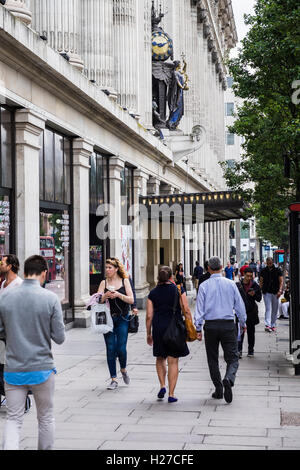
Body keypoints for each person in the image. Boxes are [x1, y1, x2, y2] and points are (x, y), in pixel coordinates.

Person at [0, 255, 65, 450]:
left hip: (13, 368)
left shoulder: (5, 297)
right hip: (42, 369)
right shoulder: (51, 298)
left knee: (13, 419)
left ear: (25, 271)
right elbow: (60, 337)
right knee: (45, 418)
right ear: (44, 272)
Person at [194, 257, 247, 404]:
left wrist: (198, 328)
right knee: (233, 357)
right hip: (228, 324)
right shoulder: (231, 284)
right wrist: (243, 322)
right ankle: (229, 378)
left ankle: (218, 389)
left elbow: (199, 309)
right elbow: (239, 306)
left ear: (208, 268)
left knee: (212, 359)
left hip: (210, 325)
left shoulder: (204, 286)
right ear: (222, 267)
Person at [146, 266, 190, 403]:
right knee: (173, 360)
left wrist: (148, 333)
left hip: (159, 327)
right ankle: (171, 393)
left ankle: (162, 385)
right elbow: (186, 310)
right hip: (174, 327)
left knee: (160, 358)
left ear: (158, 277)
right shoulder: (178, 289)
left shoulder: (152, 293)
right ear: (171, 277)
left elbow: (149, 315)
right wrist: (191, 326)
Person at [97, 258, 134, 390]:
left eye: (109, 267)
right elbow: (97, 300)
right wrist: (105, 296)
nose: (107, 270)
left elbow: (131, 299)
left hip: (122, 318)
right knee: (110, 349)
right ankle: (113, 378)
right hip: (107, 319)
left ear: (116, 269)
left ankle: (123, 369)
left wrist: (118, 295)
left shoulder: (125, 281)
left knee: (121, 348)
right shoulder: (103, 283)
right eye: (106, 267)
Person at [0, 255, 23, 408]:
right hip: (2, 332)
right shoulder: (3, 284)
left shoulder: (19, 285)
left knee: (11, 367)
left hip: (13, 334)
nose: (0, 264)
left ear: (10, 266)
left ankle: (22, 398)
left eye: (2, 262)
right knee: (2, 366)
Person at [236, 267, 262, 358]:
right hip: (240, 311)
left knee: (251, 332)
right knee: (240, 332)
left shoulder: (255, 285)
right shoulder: (238, 285)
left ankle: (251, 350)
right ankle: (239, 350)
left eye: (251, 276)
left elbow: (259, 298)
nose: (249, 278)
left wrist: (254, 294)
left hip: (251, 312)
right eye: (247, 276)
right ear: (244, 275)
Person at [259, 257, 283, 332]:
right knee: (268, 308)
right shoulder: (263, 270)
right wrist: (260, 290)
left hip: (275, 291)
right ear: (266, 262)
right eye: (268, 263)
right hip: (266, 291)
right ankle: (268, 324)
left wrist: (280, 290)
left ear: (272, 262)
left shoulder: (277, 270)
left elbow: (281, 281)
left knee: (275, 309)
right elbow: (261, 281)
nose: (269, 264)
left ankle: (273, 324)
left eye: (270, 263)